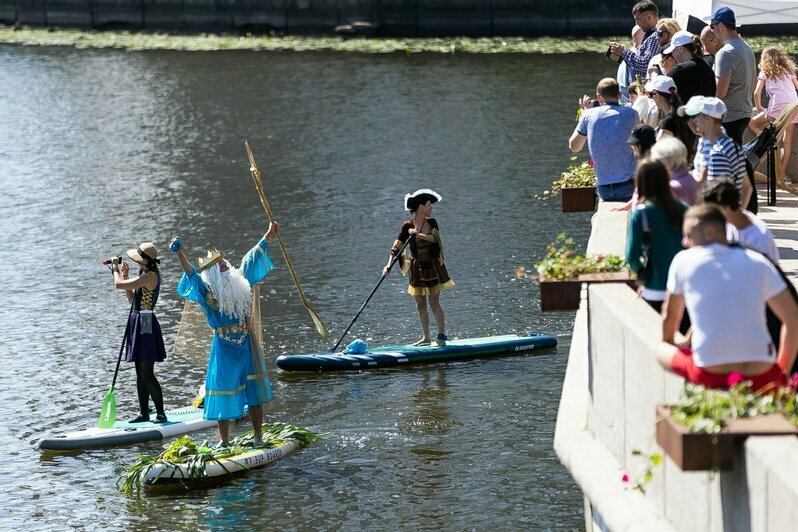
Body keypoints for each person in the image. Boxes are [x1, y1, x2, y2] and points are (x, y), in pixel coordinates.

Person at [656, 205, 798, 392]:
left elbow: (670, 317)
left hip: (708, 373)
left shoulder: (683, 259)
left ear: (710, 232)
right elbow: (793, 317)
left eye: (688, 235)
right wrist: (782, 371)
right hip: (762, 374)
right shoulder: (758, 261)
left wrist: (671, 341)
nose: (684, 242)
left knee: (660, 350)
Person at [172, 223, 279, 447]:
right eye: (221, 266)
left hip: (247, 344)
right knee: (221, 390)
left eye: (224, 263)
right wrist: (180, 253)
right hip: (224, 347)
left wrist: (268, 233)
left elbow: (251, 258)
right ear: (213, 275)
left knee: (254, 392)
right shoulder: (207, 293)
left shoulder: (240, 281)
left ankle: (258, 436)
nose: (226, 267)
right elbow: (191, 274)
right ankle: (224, 440)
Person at [383, 189, 454, 347]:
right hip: (417, 268)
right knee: (420, 304)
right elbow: (396, 247)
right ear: (421, 206)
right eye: (429, 205)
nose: (431, 208)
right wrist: (388, 265)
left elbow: (434, 239)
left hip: (433, 267)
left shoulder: (432, 223)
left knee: (434, 302)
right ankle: (426, 337)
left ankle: (441, 336)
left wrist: (417, 235)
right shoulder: (407, 226)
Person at [110, 242, 167, 423]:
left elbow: (118, 284)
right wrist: (126, 275)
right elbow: (132, 299)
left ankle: (160, 413)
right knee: (139, 372)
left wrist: (115, 270)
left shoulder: (149, 276)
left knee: (146, 372)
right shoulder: (143, 274)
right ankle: (144, 413)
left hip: (145, 323)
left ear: (143, 261)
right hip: (137, 321)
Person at [626, 159, 688, 317]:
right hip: (684, 290)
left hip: (655, 288)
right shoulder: (684, 209)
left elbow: (631, 256)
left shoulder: (641, 214)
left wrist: (644, 275)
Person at [570, 78, 639, 202]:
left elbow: (574, 147)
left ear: (599, 97)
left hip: (604, 190)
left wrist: (583, 116)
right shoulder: (632, 114)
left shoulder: (588, 116)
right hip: (628, 186)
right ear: (619, 95)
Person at [678, 95, 753, 208]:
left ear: (708, 119)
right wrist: (738, 215)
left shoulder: (718, 151)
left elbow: (715, 196)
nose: (694, 121)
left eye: (697, 116)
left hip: (716, 219)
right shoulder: (731, 145)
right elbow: (747, 187)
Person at [701, 179, 779, 263]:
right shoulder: (727, 225)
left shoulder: (760, 237)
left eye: (713, 212)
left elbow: (770, 271)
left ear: (725, 209)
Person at [710, 7, 756, 146]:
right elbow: (753, 84)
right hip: (744, 114)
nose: (712, 30)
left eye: (713, 26)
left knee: (726, 163)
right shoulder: (747, 48)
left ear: (721, 26)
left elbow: (720, 92)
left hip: (729, 117)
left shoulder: (725, 53)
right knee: (735, 160)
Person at [749, 46, 798, 175]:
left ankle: (770, 145)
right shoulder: (788, 70)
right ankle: (780, 176)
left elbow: (756, 93)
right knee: (787, 143)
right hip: (793, 106)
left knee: (752, 124)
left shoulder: (765, 71)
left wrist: (759, 108)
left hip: (777, 108)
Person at [646, 75, 696, 160]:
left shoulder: (668, 121)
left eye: (651, 94)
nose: (650, 97)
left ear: (658, 96)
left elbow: (657, 151)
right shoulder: (683, 114)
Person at [610, 1, 660, 81]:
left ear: (649, 17)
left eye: (638, 19)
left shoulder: (655, 37)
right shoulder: (650, 35)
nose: (637, 24)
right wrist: (621, 54)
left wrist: (624, 52)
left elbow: (645, 65)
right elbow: (639, 63)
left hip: (650, 88)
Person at [665, 30, 716, 105]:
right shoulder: (707, 67)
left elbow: (663, 95)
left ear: (680, 49)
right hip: (706, 115)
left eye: (673, 51)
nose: (673, 54)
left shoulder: (677, 71)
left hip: (685, 115)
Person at [650, 136, 699, 205]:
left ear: (670, 160)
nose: (655, 164)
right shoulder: (692, 178)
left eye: (657, 160)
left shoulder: (673, 187)